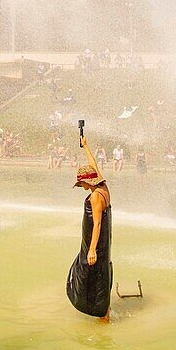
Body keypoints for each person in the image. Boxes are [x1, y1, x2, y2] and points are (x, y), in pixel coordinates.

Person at [67, 134, 113, 322]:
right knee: (99, 272)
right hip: (102, 240)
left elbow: (97, 223)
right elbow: (94, 165)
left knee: (91, 274)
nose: (82, 186)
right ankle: (105, 310)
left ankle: (102, 315)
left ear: (88, 182)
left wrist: (92, 248)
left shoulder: (95, 197)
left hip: (96, 241)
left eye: (82, 183)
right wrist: (86, 146)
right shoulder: (102, 186)